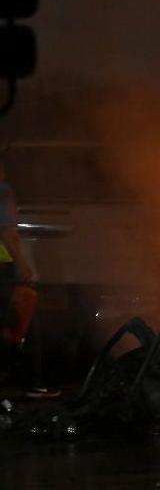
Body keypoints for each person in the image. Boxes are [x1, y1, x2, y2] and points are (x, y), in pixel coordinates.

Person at [0, 160, 59, 398]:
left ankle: (31, 381)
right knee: (21, 323)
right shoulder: (3, 191)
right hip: (4, 265)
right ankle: (33, 382)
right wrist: (23, 264)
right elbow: (6, 231)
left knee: (15, 324)